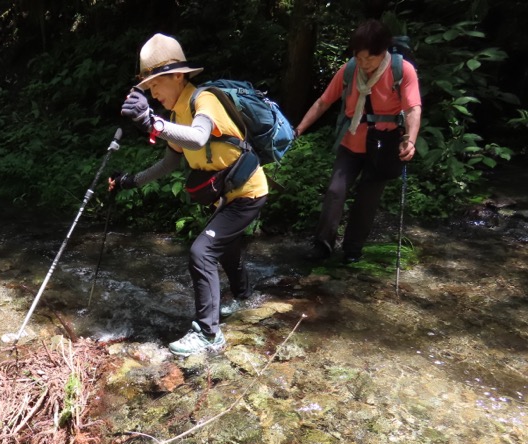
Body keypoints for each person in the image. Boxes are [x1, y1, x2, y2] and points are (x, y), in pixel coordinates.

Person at [111, 33, 268, 357]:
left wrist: (150, 122)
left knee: (202, 252)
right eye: (148, 87)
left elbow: (198, 138)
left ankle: (209, 334)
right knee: (225, 249)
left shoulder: (203, 99)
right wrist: (131, 181)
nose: (153, 92)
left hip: (248, 192)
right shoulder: (176, 115)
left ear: (179, 76)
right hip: (229, 196)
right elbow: (170, 161)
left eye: (157, 84)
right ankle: (243, 298)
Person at [294, 19, 421, 263]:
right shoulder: (350, 70)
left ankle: (352, 250)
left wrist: (410, 140)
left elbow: (413, 108)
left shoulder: (402, 70)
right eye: (359, 58)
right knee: (334, 191)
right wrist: (299, 129)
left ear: (383, 52)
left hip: (384, 144)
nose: (363, 64)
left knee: (367, 200)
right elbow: (323, 101)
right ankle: (322, 245)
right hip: (351, 142)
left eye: (369, 59)